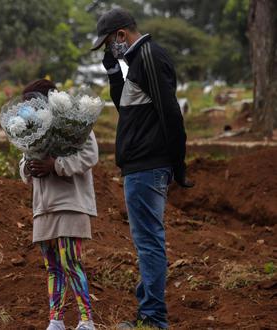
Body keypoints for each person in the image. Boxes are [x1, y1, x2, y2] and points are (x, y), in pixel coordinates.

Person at [90, 8, 193, 330]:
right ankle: (147, 311)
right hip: (142, 166)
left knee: (149, 242)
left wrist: (178, 164)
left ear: (121, 35)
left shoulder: (148, 56)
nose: (109, 49)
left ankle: (153, 319)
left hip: (148, 166)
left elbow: (171, 113)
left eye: (109, 43)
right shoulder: (136, 61)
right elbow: (129, 107)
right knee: (147, 241)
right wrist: (113, 73)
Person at [19, 79, 99, 330]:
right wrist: (30, 166)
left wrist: (55, 165)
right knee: (52, 267)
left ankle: (86, 320)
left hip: (70, 204)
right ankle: (56, 320)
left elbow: (90, 155)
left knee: (71, 263)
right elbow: (23, 163)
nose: (30, 109)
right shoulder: (32, 130)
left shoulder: (74, 124)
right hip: (43, 207)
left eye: (33, 103)